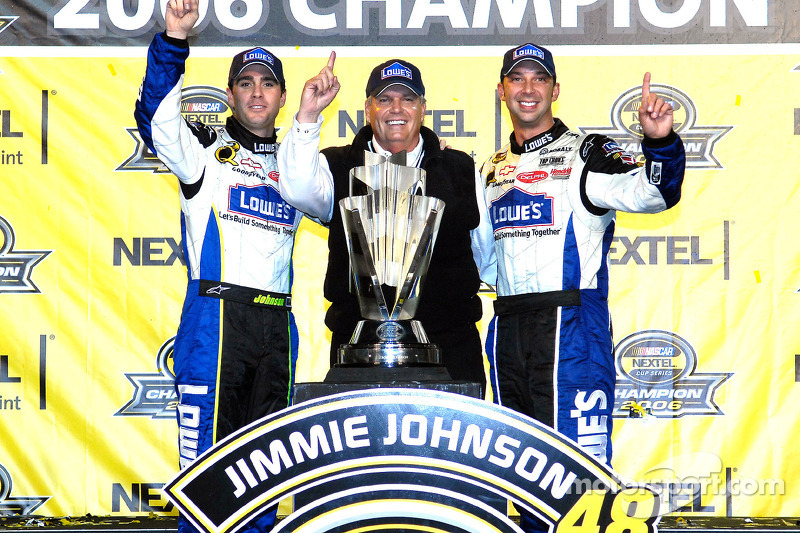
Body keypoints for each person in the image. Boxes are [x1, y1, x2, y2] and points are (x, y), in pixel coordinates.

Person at [479, 43, 685, 532]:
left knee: (578, 476)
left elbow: (652, 194)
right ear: (503, 90)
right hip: (507, 327)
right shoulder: (489, 168)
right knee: (522, 473)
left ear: (555, 89)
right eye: (517, 79)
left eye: (538, 79)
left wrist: (660, 144)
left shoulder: (586, 151)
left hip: (571, 325)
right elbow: (482, 260)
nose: (527, 89)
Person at [134, 1, 303, 531]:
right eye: (246, 82)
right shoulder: (205, 150)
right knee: (206, 485)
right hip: (216, 322)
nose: (257, 91)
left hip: (277, 326)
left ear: (280, 96)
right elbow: (158, 121)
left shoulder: (298, 165)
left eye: (268, 83)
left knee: (265, 478)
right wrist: (174, 38)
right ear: (230, 95)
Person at [278, 55, 494, 391]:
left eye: (407, 99)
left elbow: (483, 253)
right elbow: (297, 189)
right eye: (384, 99)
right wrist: (308, 115)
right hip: (358, 350)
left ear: (422, 108)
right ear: (368, 109)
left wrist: (440, 293)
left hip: (451, 349)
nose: (396, 109)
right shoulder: (337, 165)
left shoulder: (459, 168)